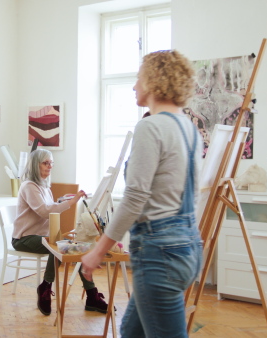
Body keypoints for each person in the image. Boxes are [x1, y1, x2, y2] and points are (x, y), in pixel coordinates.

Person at [81, 50, 204, 338]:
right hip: (187, 247)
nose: (135, 85)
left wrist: (98, 250)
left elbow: (135, 198)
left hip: (159, 253)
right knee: (131, 330)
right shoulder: (190, 128)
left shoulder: (150, 127)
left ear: (153, 81)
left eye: (138, 78)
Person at [12, 149, 108, 316]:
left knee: (73, 247)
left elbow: (49, 206)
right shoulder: (29, 186)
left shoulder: (44, 187)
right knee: (57, 246)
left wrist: (61, 201)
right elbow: (44, 211)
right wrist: (71, 202)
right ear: (36, 165)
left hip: (43, 237)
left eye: (51, 163)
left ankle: (92, 295)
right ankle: (46, 286)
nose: (50, 166)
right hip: (24, 238)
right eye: (45, 163)